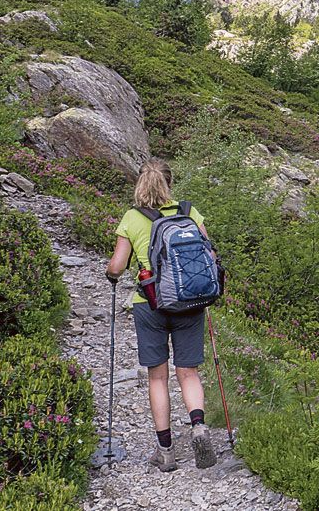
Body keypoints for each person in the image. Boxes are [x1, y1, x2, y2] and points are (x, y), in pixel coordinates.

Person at [106, 158, 217, 472]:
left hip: (150, 304)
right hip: (190, 302)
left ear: (140, 183)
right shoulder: (188, 212)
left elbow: (116, 265)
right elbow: (209, 253)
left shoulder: (132, 217)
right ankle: (198, 426)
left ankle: (166, 451)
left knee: (158, 376)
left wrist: (111, 274)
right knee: (189, 372)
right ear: (169, 183)